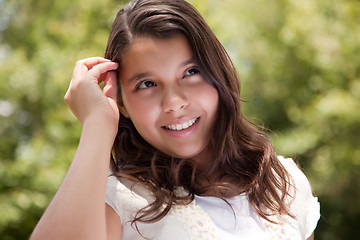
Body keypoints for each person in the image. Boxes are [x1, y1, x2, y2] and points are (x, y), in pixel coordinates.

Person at [30, 0, 320, 239]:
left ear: (218, 72)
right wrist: (96, 125)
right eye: (147, 84)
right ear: (122, 103)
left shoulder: (283, 183)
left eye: (191, 72)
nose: (174, 102)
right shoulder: (117, 203)